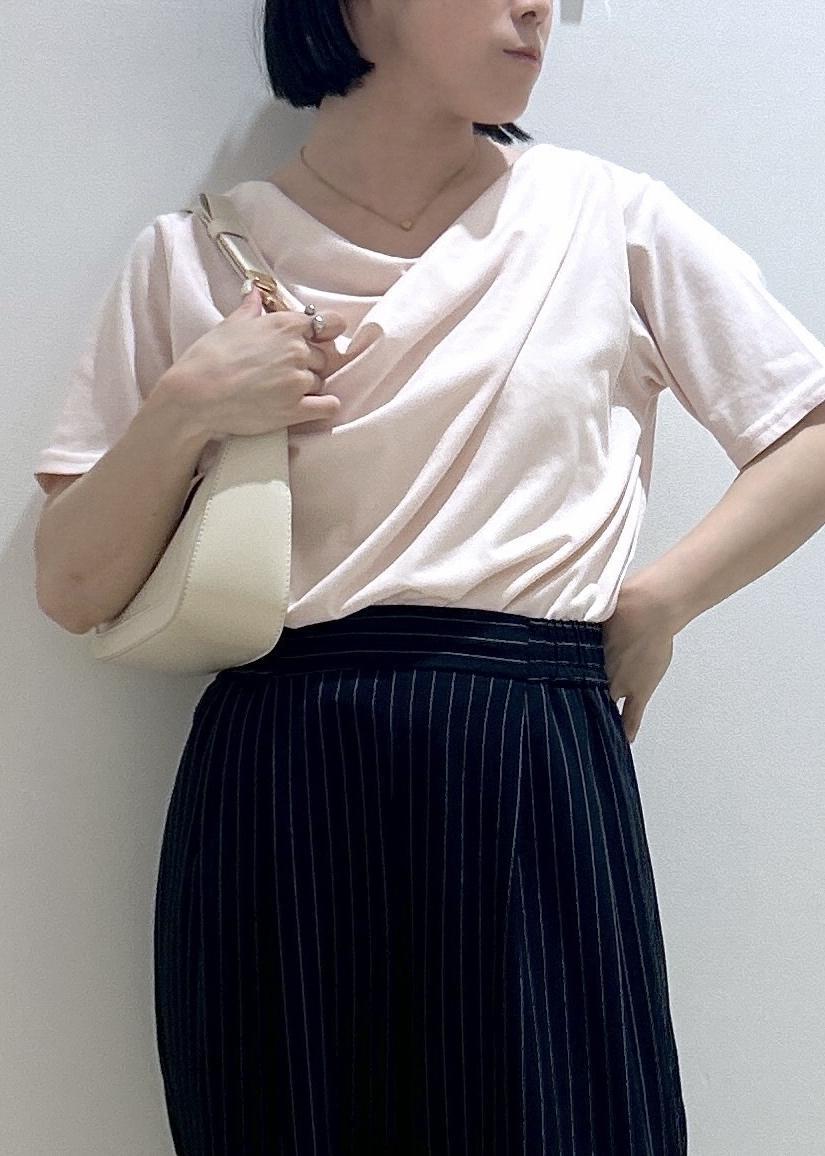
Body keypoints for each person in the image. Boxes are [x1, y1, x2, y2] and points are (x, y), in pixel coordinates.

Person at [32, 1, 825, 1153]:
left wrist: (662, 601)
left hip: (532, 755)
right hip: (283, 779)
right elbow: (72, 583)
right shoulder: (197, 253)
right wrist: (190, 405)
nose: (539, 7)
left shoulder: (606, 219)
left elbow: (806, 429)